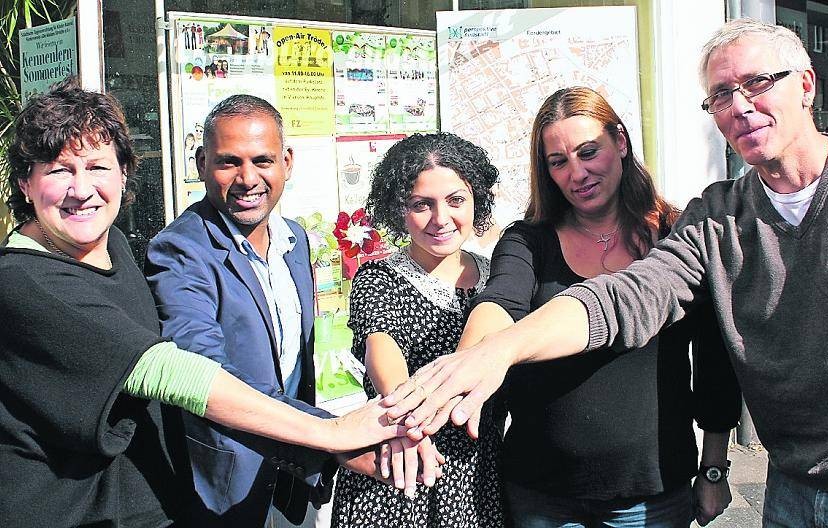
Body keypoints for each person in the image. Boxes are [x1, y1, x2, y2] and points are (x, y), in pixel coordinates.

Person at [385, 18, 828, 528]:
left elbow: (711, 366)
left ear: (807, 85)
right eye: (722, 95)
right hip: (790, 490)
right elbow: (625, 298)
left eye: (758, 82)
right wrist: (490, 353)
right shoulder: (715, 218)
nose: (741, 106)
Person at [0, 80, 404, 527]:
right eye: (59, 170)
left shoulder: (110, 245)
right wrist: (331, 433)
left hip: (181, 497)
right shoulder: (26, 282)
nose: (82, 189)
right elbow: (176, 371)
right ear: (25, 182)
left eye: (98, 166)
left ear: (123, 174)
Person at [454, 87, 739, 527]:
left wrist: (714, 467)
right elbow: (499, 304)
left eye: (589, 152)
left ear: (620, 143)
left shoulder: (678, 235)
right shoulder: (529, 239)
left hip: (651, 496)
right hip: (540, 495)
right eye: (558, 161)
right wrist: (464, 367)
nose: (578, 173)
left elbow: (714, 362)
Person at [145, 94, 427, 527]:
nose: (247, 178)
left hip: (292, 484)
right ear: (201, 163)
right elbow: (204, 373)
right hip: (224, 489)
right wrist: (333, 437)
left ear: (287, 162)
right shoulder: (180, 251)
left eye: (262, 160)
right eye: (228, 162)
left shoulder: (293, 239)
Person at [330, 132, 504, 527]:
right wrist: (411, 423)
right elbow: (381, 348)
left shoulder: (499, 279)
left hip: (478, 480)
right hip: (399, 471)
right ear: (398, 209)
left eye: (456, 200)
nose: (441, 219)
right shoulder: (379, 277)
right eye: (421, 205)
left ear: (477, 200)